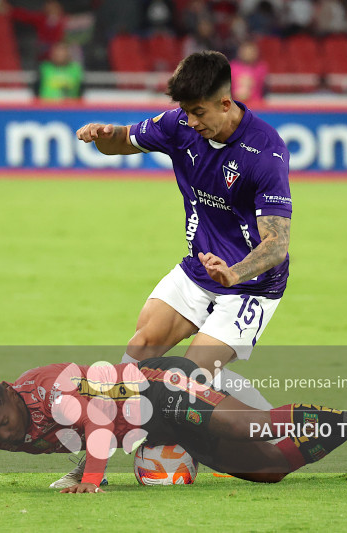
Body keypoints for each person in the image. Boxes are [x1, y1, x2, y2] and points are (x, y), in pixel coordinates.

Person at [71, 51, 292, 486]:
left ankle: (278, 430)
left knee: (187, 382)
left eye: (198, 112)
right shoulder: (180, 125)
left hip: (249, 285)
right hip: (197, 269)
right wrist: (103, 135)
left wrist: (234, 273)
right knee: (140, 348)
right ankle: (94, 461)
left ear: (225, 103)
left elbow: (278, 245)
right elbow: (123, 140)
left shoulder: (265, 152)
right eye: (185, 111)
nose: (190, 121)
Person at [0, 357, 347, 493]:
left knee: (252, 427)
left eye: (3, 423)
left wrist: (90, 479)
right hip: (154, 428)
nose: (4, 436)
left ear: (9, 392)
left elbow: (98, 424)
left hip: (162, 388)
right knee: (267, 471)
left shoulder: (49, 390)